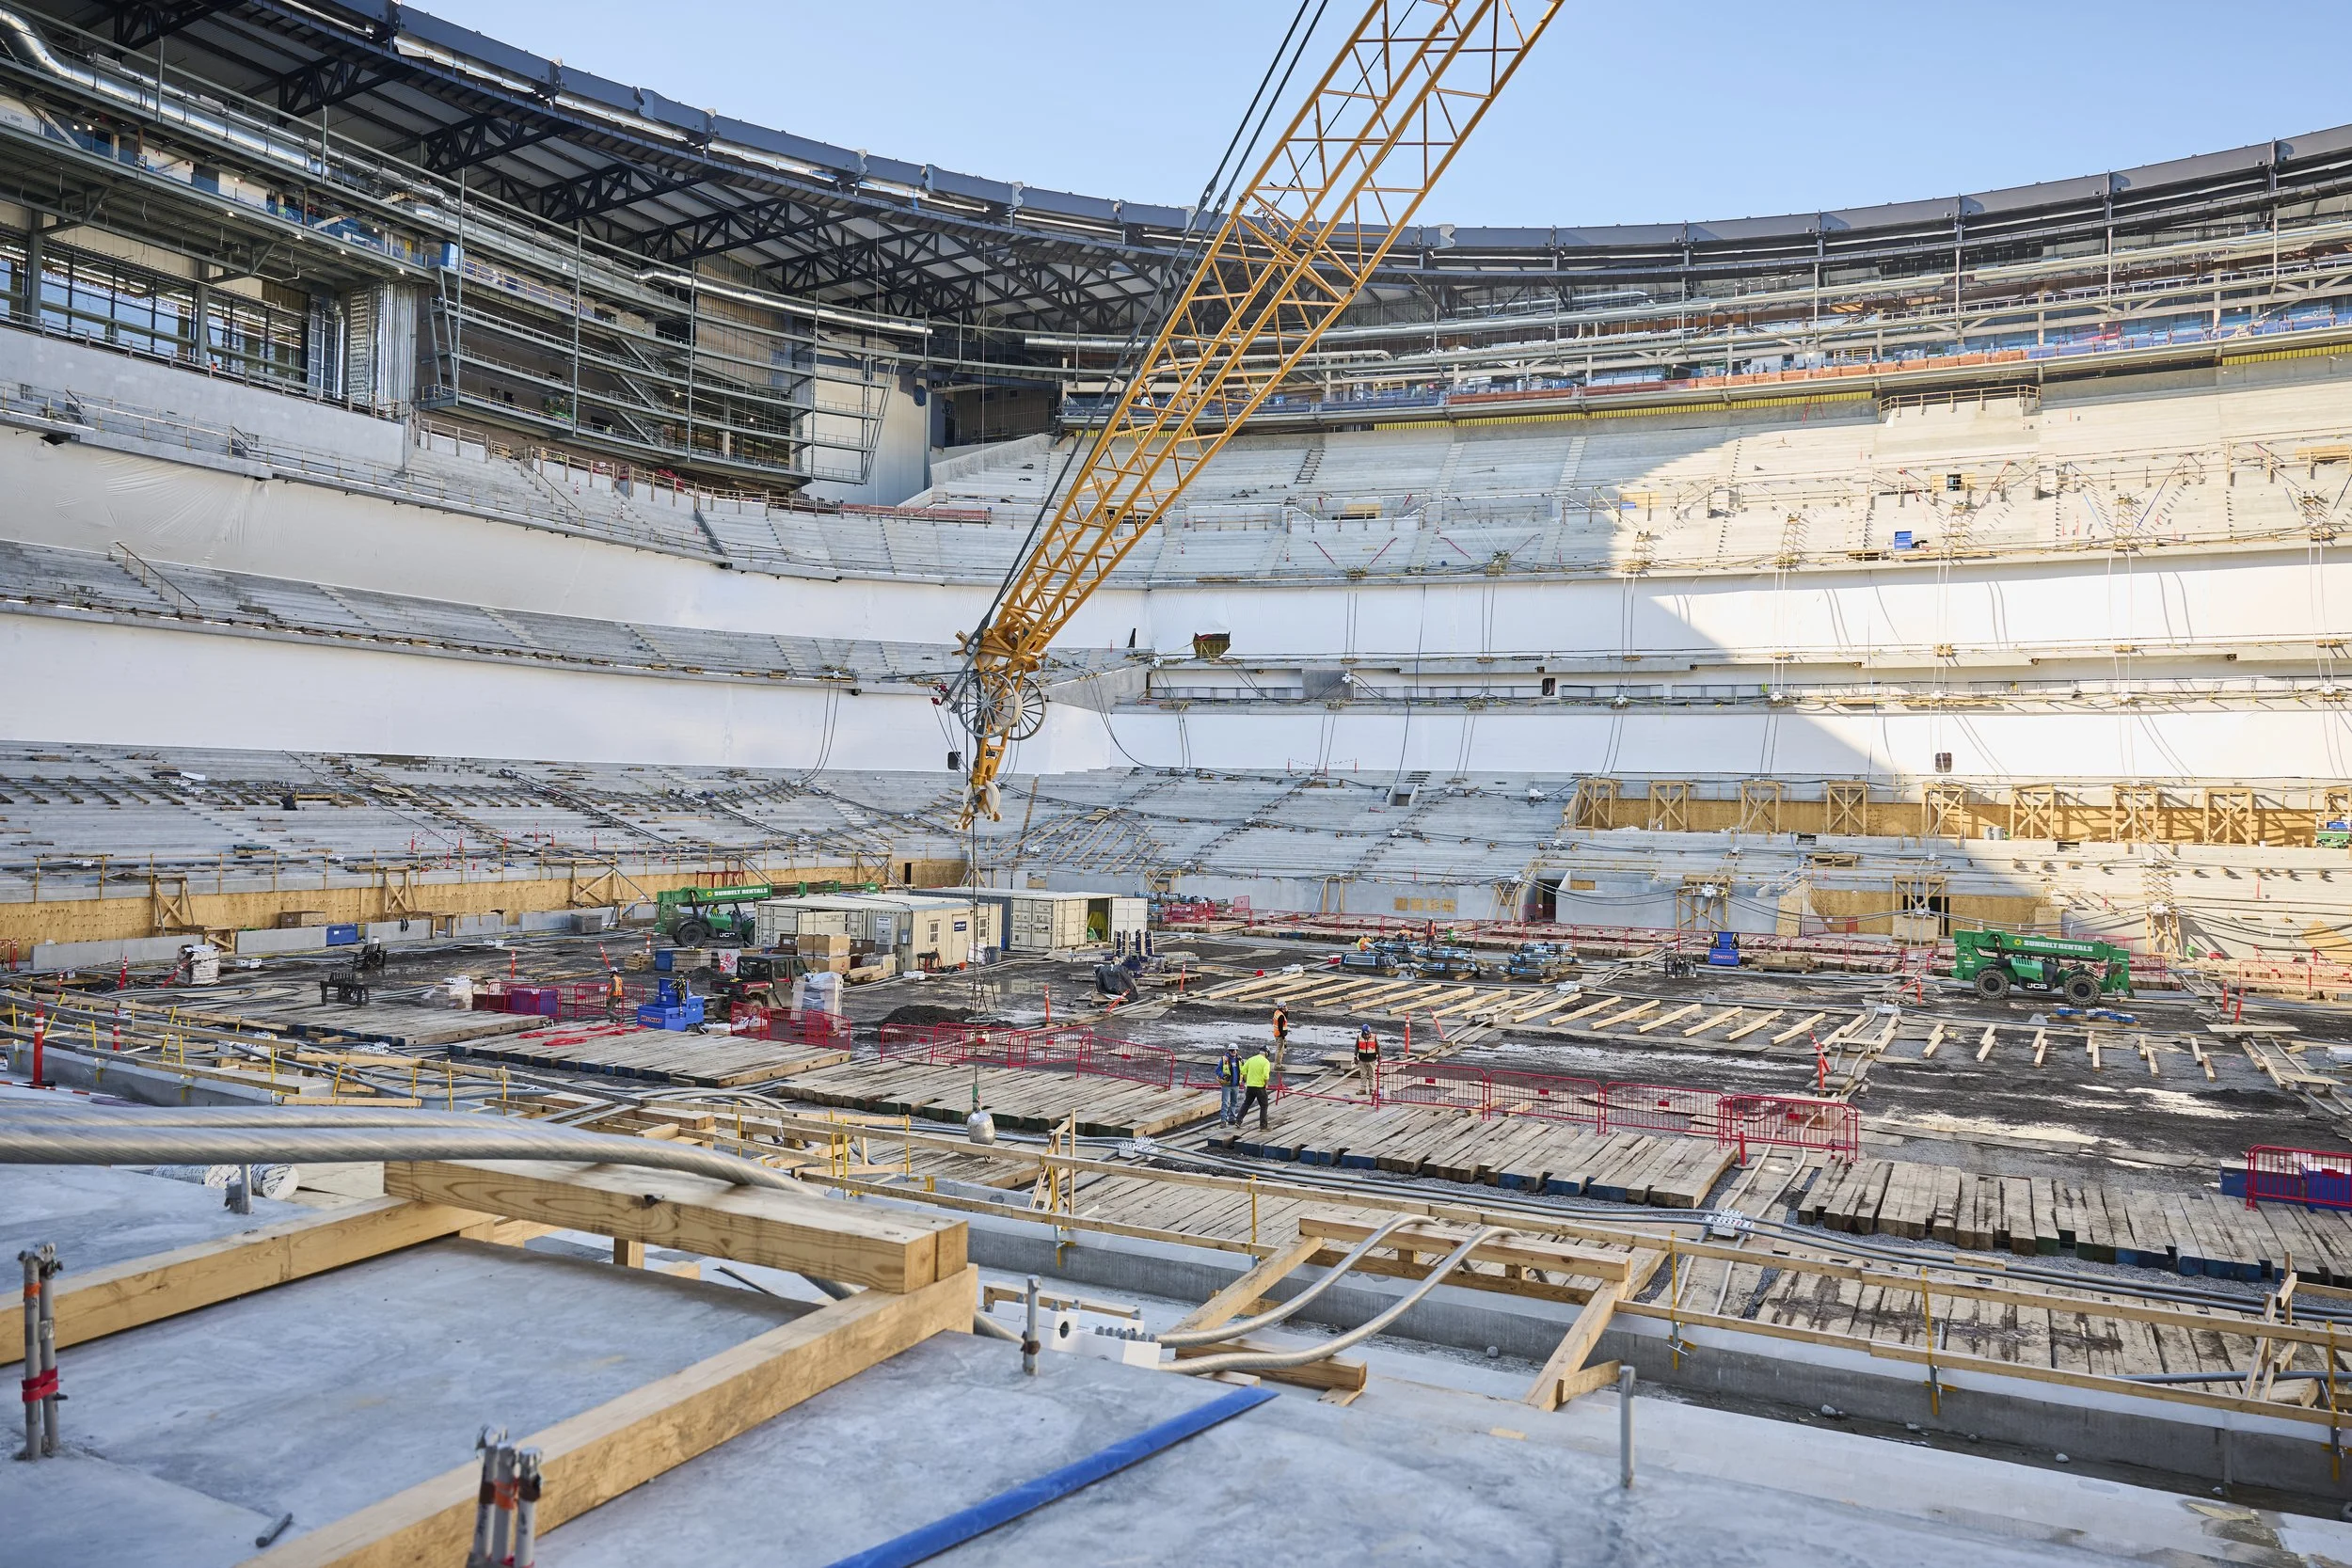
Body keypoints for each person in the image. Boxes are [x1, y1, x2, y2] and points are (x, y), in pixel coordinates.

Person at [1238, 1046, 1273, 1131]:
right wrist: (1266, 1084)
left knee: (1246, 1103)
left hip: (1250, 1086)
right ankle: (1263, 1126)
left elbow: (1243, 1070)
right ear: (1267, 1053)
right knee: (1264, 1106)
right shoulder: (1266, 1062)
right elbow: (1265, 1075)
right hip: (1260, 1087)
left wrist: (1246, 1080)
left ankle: (1238, 1121)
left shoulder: (1251, 1059)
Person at [1215, 1044, 1243, 1127]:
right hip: (1227, 1085)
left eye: (1235, 1050)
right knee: (1225, 1103)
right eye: (1232, 1050)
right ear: (1228, 1051)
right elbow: (1218, 1070)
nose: (1233, 1052)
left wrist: (1244, 1080)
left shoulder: (1240, 1059)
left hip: (1236, 1085)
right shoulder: (1224, 1060)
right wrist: (1223, 1075)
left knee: (1234, 1102)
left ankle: (1232, 1118)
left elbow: (1243, 1070)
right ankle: (1223, 1120)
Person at [1353, 1023, 1380, 1097]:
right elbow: (1356, 1047)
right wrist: (1355, 1056)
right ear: (1363, 1033)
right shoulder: (1359, 1038)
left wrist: (1379, 1056)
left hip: (1372, 1059)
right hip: (1362, 1060)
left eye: (1368, 1034)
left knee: (1371, 1075)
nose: (1367, 1036)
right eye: (1366, 1035)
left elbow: (1378, 1047)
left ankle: (1372, 1089)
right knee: (1363, 1075)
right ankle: (1363, 1089)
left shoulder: (1374, 1037)